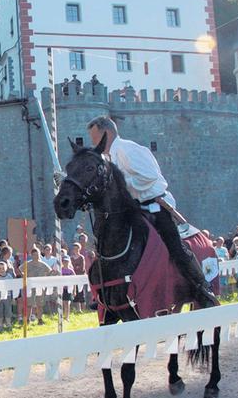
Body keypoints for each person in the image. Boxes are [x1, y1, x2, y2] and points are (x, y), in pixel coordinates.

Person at [86, 116, 218, 308]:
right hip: (133, 210)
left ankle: (201, 287)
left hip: (155, 206)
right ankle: (108, 294)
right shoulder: (108, 158)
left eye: (95, 139)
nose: (93, 144)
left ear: (106, 134)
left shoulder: (128, 149)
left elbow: (149, 177)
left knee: (174, 246)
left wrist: (120, 186)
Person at [0, 261, 13, 330]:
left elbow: (12, 287)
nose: (2, 270)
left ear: (6, 268)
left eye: (3, 268)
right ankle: (0, 325)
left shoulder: (9, 276)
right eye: (0, 268)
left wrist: (13, 298)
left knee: (8, 310)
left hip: (8, 295)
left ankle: (8, 324)